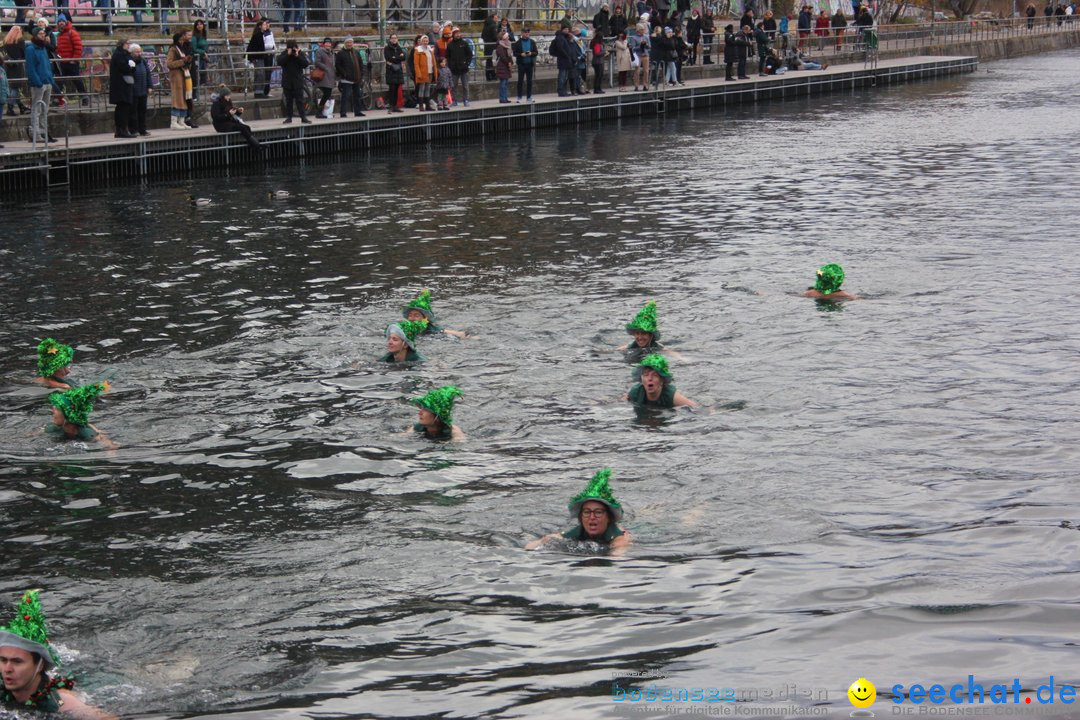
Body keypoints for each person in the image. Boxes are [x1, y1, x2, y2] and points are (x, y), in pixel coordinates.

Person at [0, 590, 114, 718]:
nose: (7, 669)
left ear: (40, 665)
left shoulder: (61, 702)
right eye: (3, 660)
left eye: (17, 661)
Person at [525, 468, 631, 554]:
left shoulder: (618, 537)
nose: (592, 517)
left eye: (598, 512)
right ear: (580, 517)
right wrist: (546, 540)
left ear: (608, 517)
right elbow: (529, 547)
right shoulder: (577, 531)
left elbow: (618, 555)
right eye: (587, 512)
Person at [47, 381, 116, 447]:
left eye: (58, 409)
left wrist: (101, 437)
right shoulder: (53, 428)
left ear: (69, 414)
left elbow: (110, 446)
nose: (52, 411)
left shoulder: (87, 434)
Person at [625, 353, 697, 408]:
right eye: (646, 375)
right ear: (641, 379)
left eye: (655, 375)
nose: (650, 378)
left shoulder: (672, 396)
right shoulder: (635, 392)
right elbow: (619, 404)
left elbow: (696, 407)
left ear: (662, 380)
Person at [25, 27, 57, 145]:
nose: (43, 35)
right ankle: (36, 133)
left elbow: (47, 65)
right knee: (37, 109)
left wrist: (50, 80)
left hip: (47, 81)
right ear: (35, 35)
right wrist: (37, 82)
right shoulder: (30, 49)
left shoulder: (43, 47)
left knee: (45, 110)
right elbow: (31, 68)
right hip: (38, 84)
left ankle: (44, 132)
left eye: (43, 33)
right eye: (40, 33)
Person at [401, 289, 466, 338]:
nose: (412, 318)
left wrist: (464, 336)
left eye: (416, 315)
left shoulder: (433, 331)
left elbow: (460, 334)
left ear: (425, 319)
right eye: (410, 315)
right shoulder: (403, 329)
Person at [166, 30, 194, 129]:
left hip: (184, 75)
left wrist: (188, 61)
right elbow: (169, 64)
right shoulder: (173, 49)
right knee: (177, 98)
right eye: (181, 40)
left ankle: (181, 120)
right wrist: (182, 61)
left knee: (184, 98)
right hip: (176, 76)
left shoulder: (182, 49)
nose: (183, 42)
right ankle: (174, 121)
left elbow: (185, 63)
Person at [55, 18, 85, 107]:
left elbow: (78, 47)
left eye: (63, 22)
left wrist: (74, 60)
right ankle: (59, 99)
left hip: (71, 62)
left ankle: (84, 97)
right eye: (59, 22)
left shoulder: (72, 33)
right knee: (59, 81)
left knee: (77, 80)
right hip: (61, 61)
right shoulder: (58, 34)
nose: (61, 23)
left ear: (66, 23)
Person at [108, 38, 135, 138]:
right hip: (121, 85)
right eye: (128, 43)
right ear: (123, 44)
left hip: (124, 84)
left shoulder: (123, 54)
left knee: (123, 108)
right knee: (122, 108)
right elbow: (124, 67)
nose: (129, 45)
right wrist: (131, 66)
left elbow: (131, 67)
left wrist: (132, 65)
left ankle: (121, 130)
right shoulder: (119, 54)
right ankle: (122, 130)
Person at [277, 39, 309, 124]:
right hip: (287, 82)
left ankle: (303, 117)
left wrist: (297, 55)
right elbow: (279, 62)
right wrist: (288, 54)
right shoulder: (284, 53)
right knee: (288, 101)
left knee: (300, 101)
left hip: (297, 81)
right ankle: (289, 117)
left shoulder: (299, 53)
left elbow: (305, 64)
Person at [335, 36, 367, 118]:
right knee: (345, 96)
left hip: (356, 78)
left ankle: (357, 111)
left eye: (350, 42)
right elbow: (338, 65)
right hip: (346, 79)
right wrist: (344, 74)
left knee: (357, 95)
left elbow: (360, 63)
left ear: (352, 43)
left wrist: (361, 73)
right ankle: (343, 113)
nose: (349, 44)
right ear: (345, 44)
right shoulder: (340, 53)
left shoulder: (356, 52)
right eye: (348, 42)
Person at [3, 27, 31, 116]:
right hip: (17, 66)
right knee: (15, 88)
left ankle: (21, 106)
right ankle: (10, 108)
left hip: (8, 65)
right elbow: (24, 54)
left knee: (13, 87)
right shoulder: (20, 41)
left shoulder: (6, 41)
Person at [128, 43, 154, 136]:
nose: (139, 54)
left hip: (143, 90)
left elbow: (148, 73)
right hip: (133, 91)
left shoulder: (143, 61)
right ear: (131, 52)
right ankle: (133, 130)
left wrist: (150, 86)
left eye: (140, 52)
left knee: (142, 111)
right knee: (133, 112)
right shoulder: (129, 61)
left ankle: (142, 129)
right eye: (137, 52)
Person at [246, 18, 274, 98]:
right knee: (260, 74)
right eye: (264, 24)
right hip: (258, 57)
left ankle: (260, 91)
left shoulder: (260, 34)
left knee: (261, 74)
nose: (266, 26)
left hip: (261, 57)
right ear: (260, 26)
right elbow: (254, 47)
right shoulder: (258, 35)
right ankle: (258, 92)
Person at [447, 28, 472, 107]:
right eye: (456, 33)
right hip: (454, 70)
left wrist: (467, 63)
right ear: (453, 35)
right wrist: (451, 65)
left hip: (464, 69)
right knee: (454, 86)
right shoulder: (450, 45)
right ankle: (454, 101)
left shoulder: (464, 43)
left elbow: (470, 54)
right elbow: (447, 57)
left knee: (465, 86)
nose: (458, 35)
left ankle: (466, 100)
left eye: (459, 33)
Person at [412, 34, 436, 112]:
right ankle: (421, 105)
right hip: (422, 72)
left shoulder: (430, 49)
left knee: (427, 89)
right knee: (422, 89)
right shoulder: (418, 50)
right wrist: (418, 73)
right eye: (424, 41)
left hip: (430, 72)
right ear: (421, 41)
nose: (425, 42)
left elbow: (433, 61)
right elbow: (416, 64)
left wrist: (434, 71)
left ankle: (428, 105)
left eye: (427, 41)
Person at [512, 26, 537, 102]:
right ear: (522, 33)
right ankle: (519, 97)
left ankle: (529, 97)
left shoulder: (532, 42)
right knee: (520, 81)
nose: (527, 34)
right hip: (521, 64)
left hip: (529, 64)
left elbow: (536, 52)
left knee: (529, 81)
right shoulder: (518, 43)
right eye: (525, 32)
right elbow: (514, 53)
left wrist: (531, 53)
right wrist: (521, 54)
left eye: (528, 32)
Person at [550, 25, 577, 97]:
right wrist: (566, 55)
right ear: (562, 30)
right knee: (562, 76)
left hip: (565, 60)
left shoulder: (563, 37)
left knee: (564, 77)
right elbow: (560, 48)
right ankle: (561, 91)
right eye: (566, 29)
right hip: (563, 60)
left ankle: (563, 91)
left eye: (568, 29)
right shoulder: (560, 38)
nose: (567, 31)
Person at [314, 37, 336, 117]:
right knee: (327, 93)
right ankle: (319, 112)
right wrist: (325, 68)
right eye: (326, 43)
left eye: (329, 43)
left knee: (328, 93)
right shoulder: (320, 51)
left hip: (330, 76)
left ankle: (320, 111)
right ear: (324, 44)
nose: (328, 44)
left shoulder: (331, 52)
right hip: (323, 75)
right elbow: (317, 62)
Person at [383, 34, 404, 114]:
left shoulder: (398, 47)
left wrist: (396, 58)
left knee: (397, 88)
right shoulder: (387, 48)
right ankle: (391, 106)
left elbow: (404, 57)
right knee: (391, 89)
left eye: (395, 38)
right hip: (391, 70)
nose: (394, 39)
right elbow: (388, 58)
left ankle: (395, 106)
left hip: (398, 70)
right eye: (393, 38)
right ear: (390, 39)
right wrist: (398, 57)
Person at [628, 23, 649, 90]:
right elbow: (633, 48)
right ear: (638, 30)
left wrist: (646, 45)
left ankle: (645, 85)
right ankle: (636, 85)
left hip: (645, 55)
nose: (643, 31)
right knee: (637, 71)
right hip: (638, 55)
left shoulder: (646, 37)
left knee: (646, 71)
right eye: (641, 30)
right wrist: (640, 46)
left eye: (643, 29)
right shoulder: (634, 38)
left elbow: (650, 46)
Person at [190, 18, 208, 100]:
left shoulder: (204, 35)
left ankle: (197, 94)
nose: (199, 26)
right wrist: (203, 52)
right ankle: (194, 96)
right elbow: (193, 49)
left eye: (201, 24)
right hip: (197, 59)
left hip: (203, 59)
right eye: (198, 24)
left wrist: (206, 54)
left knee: (203, 77)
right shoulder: (194, 37)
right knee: (196, 77)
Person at [495, 30, 513, 103]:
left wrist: (511, 62)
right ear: (503, 37)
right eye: (507, 36)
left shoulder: (508, 45)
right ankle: (502, 98)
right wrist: (508, 62)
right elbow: (502, 56)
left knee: (505, 83)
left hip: (506, 66)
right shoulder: (500, 46)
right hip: (502, 66)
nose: (508, 37)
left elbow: (510, 55)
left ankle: (505, 98)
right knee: (503, 83)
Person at [481, 12, 499, 80]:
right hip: (492, 45)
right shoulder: (493, 25)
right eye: (496, 18)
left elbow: (482, 35)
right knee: (492, 60)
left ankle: (488, 76)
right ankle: (492, 75)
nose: (497, 19)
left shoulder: (486, 25)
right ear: (492, 18)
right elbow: (495, 36)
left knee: (488, 60)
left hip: (486, 44)